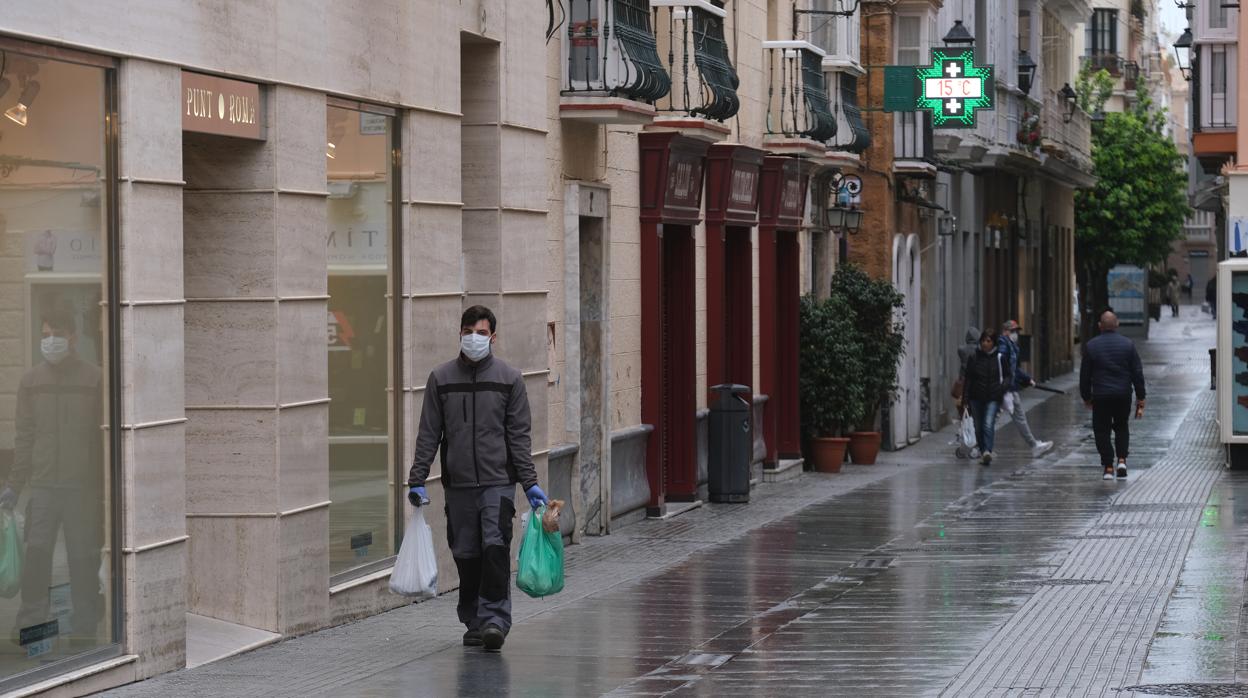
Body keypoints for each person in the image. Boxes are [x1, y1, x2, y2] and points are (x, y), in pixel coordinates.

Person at [406, 305, 549, 652]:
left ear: (493, 337)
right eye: (469, 331)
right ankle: (473, 619)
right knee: (466, 554)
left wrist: (528, 482)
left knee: (495, 548)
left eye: (482, 333)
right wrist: (417, 479)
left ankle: (495, 620)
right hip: (458, 485)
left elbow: (519, 436)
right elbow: (429, 433)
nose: (474, 338)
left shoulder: (509, 379)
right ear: (460, 333)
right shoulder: (441, 379)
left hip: (497, 482)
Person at [0, 307, 104, 645]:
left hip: (81, 488)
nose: (50, 341)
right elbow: (24, 437)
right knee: (37, 555)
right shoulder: (31, 381)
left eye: (56, 335)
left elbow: (101, 438)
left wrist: (105, 489)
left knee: (82, 557)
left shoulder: (94, 379)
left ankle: (86, 625)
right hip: (43, 486)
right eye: (45, 336)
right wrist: (14, 486)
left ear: (72, 337)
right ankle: (30, 621)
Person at [1079, 311, 1146, 480]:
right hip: (1123, 394)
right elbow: (1137, 373)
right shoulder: (1128, 345)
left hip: (1101, 396)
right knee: (1122, 426)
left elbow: (1085, 375)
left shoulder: (1091, 346)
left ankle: (1108, 467)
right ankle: (1122, 460)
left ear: (1100, 326)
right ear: (1117, 325)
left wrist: (1086, 397)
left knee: (1101, 430)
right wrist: (1140, 396)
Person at [998, 321, 1054, 458]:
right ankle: (975, 444)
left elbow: (1014, 369)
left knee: (1011, 417)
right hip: (1004, 389)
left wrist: (1027, 379)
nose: (1015, 334)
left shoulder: (1011, 346)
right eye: (1012, 331)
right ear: (1005, 331)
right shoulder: (1004, 345)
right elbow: (1004, 364)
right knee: (994, 418)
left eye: (1016, 331)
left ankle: (1034, 444)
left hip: (1008, 388)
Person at [961, 329, 1011, 466]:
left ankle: (987, 451)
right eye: (983, 340)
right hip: (976, 397)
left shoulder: (1000, 358)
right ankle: (984, 451)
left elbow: (1008, 376)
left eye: (988, 341)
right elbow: (968, 379)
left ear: (993, 343)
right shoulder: (974, 357)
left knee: (988, 424)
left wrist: (1001, 389)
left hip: (993, 397)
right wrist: (965, 399)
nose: (985, 343)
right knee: (978, 427)